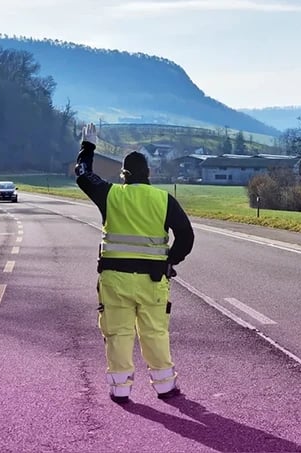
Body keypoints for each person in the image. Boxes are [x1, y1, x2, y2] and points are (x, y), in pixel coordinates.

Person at [75, 123, 194, 404]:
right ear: (149, 174)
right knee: (155, 333)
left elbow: (82, 175)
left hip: (115, 281)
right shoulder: (164, 199)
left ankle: (120, 390)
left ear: (123, 175)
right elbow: (186, 236)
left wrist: (88, 146)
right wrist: (170, 260)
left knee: (118, 334)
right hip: (153, 281)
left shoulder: (111, 194)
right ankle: (165, 387)